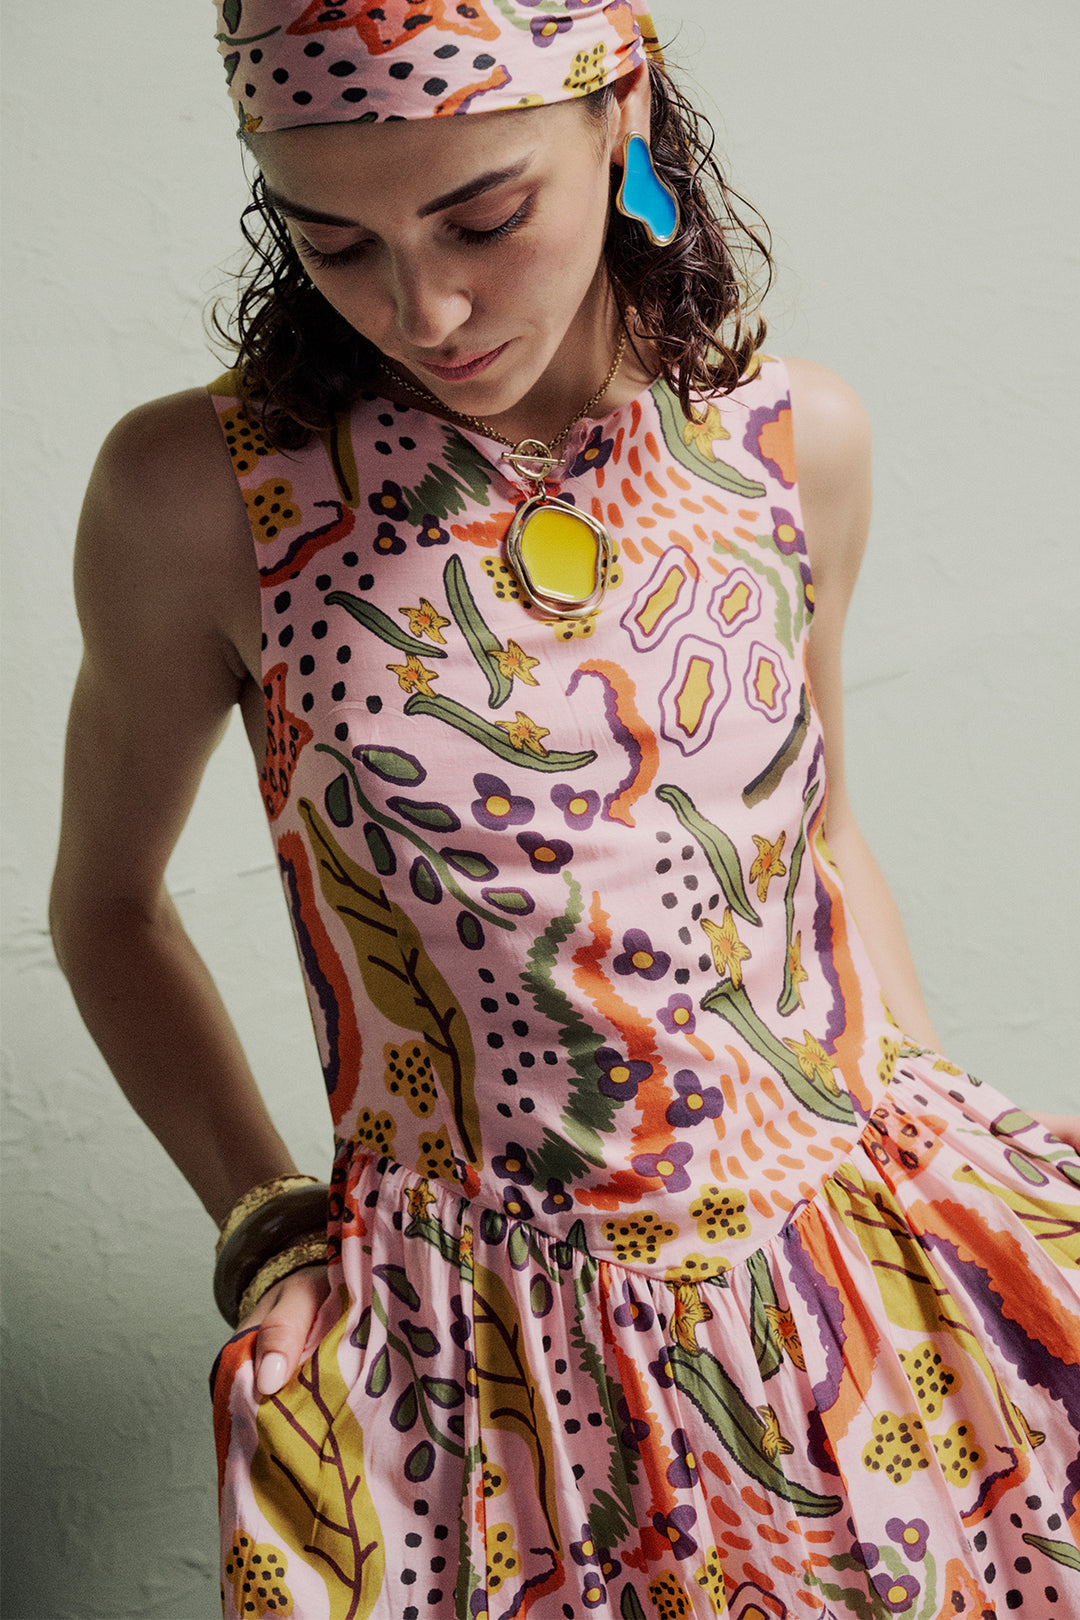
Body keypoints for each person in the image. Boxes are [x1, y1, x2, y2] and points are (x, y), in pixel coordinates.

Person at [48, 2, 1080, 1616]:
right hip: (486, 1366)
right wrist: (269, 1227)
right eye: (337, 242)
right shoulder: (197, 498)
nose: (426, 309)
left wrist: (926, 1125)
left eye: (484, 218)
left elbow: (816, 833)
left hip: (846, 1300)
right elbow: (106, 908)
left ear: (622, 119)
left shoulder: (794, 446)